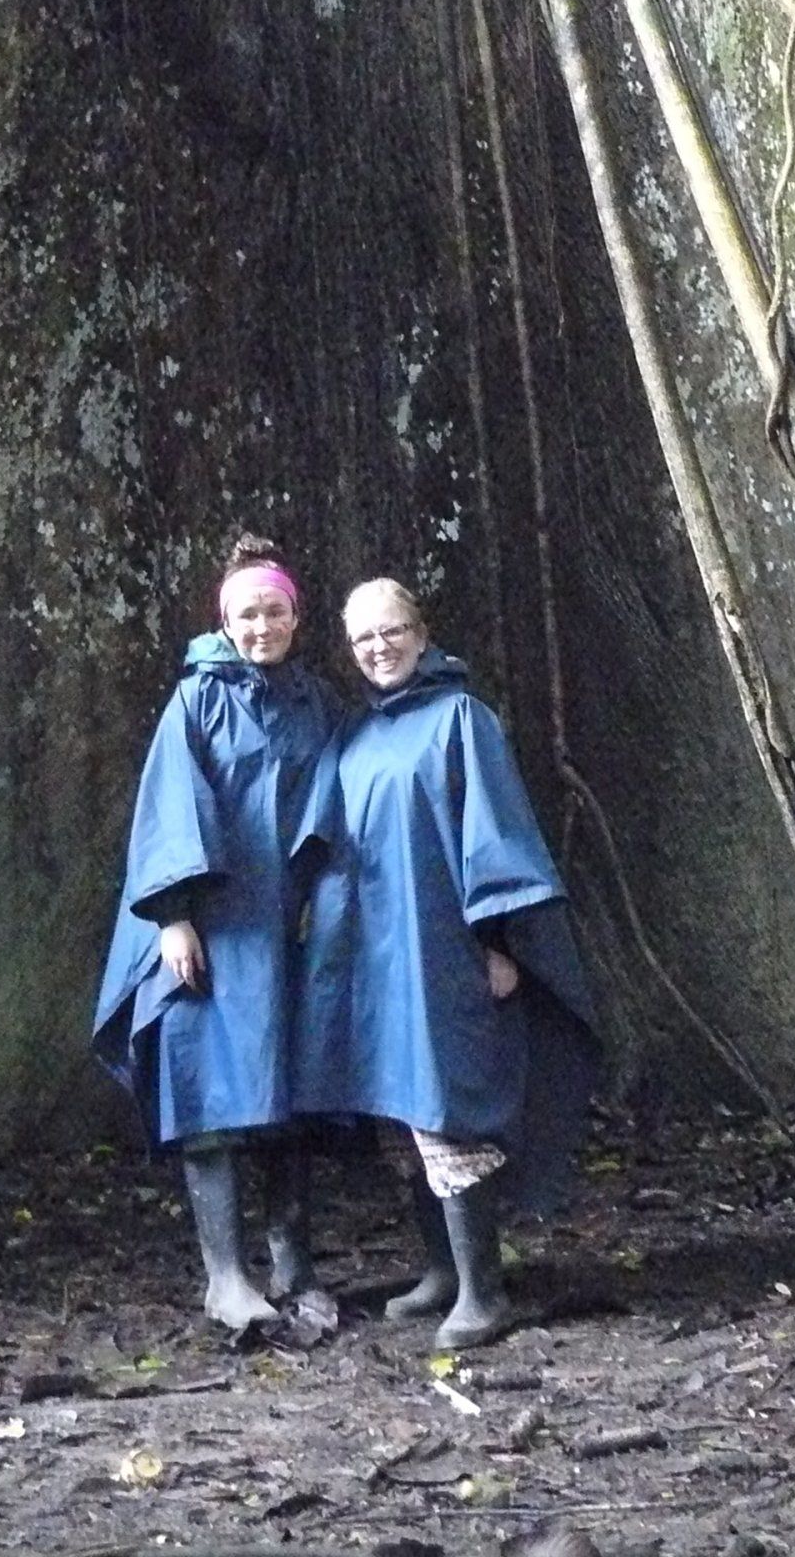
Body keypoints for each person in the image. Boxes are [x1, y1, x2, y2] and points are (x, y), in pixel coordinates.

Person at [293, 579, 598, 1349]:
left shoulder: (463, 720)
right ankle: (442, 1271)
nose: (379, 648)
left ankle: (485, 1292)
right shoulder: (356, 735)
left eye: (391, 632)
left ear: (421, 634)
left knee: (445, 1106)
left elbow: (493, 835)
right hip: (376, 963)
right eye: (363, 639)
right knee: (401, 1113)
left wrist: (499, 942)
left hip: (443, 955)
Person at [93, 536, 341, 1329]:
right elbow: (171, 809)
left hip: (293, 929)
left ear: (296, 617)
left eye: (274, 611)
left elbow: (338, 804)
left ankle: (296, 1270)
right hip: (214, 932)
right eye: (246, 614)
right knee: (213, 1099)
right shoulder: (197, 701)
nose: (260, 625)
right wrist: (174, 921)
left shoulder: (315, 702)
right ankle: (227, 1279)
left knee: (290, 1099)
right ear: (223, 621)